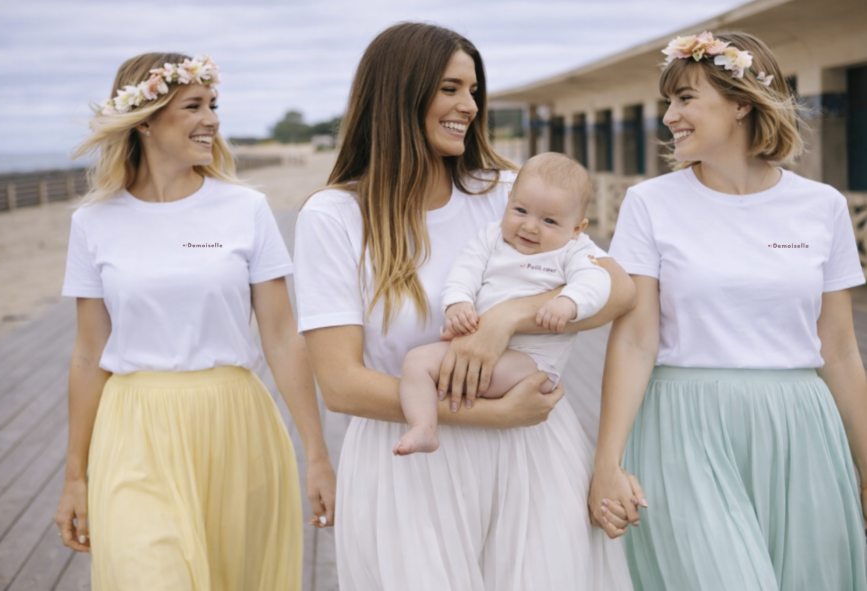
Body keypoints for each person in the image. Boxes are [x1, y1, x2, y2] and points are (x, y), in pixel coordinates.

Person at [294, 23, 636, 591]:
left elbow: (619, 289)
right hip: (411, 465)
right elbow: (341, 386)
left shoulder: (506, 193)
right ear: (400, 94)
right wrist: (491, 415)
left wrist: (507, 318)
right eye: (450, 89)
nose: (470, 106)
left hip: (532, 453)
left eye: (474, 90)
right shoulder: (334, 217)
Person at [589, 31, 867, 590]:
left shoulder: (823, 207)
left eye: (685, 98)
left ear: (741, 102)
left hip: (802, 430)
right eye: (669, 100)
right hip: (683, 429)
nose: (669, 116)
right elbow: (635, 341)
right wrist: (607, 464)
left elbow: (838, 350)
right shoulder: (649, 204)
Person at [52, 52, 336, 591]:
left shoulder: (246, 209)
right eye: (194, 106)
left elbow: (281, 337)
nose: (212, 119)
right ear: (144, 121)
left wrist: (317, 455)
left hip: (235, 426)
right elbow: (88, 355)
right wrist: (74, 477)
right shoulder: (92, 222)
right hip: (133, 428)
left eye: (214, 105)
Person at [394, 153, 611, 456]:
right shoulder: (492, 236)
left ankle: (461, 412)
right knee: (416, 362)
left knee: (458, 373)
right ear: (508, 201)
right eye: (521, 211)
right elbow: (465, 270)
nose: (530, 227)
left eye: (549, 221)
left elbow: (598, 280)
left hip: (531, 363)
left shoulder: (573, 250)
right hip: (481, 347)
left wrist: (568, 302)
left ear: (577, 228)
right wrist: (458, 303)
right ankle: (423, 427)